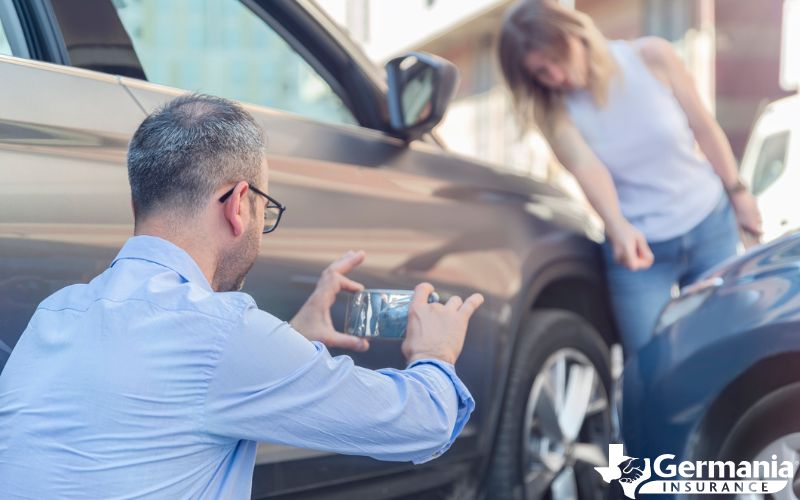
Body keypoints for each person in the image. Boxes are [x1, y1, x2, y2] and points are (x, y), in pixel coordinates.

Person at [0, 94, 484, 498]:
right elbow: (421, 423)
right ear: (237, 205)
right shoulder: (224, 334)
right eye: (263, 208)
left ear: (136, 203)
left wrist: (290, 338)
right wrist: (434, 354)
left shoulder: (56, 313)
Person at [497, 0, 763, 354]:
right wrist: (617, 224)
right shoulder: (554, 110)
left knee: (731, 345)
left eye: (557, 60)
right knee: (648, 365)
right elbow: (587, 168)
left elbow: (704, 126)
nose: (556, 77)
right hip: (639, 251)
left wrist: (739, 193)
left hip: (708, 225)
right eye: (541, 73)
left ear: (576, 34)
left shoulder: (652, 57)